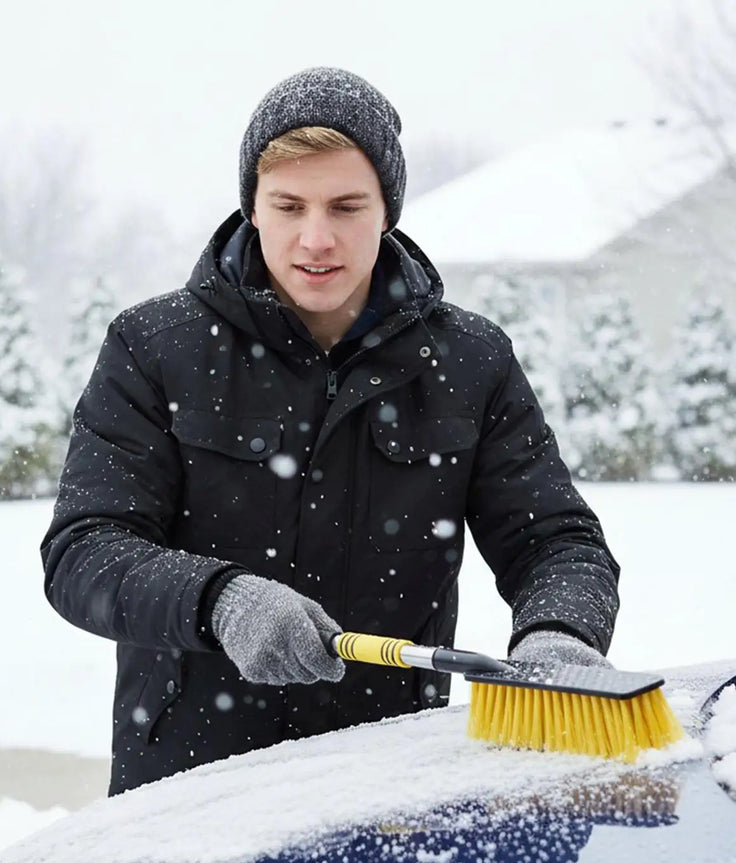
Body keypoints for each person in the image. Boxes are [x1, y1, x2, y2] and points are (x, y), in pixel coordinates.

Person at [41, 67, 620, 796]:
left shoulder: (469, 362)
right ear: (253, 206)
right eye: (289, 205)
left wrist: (559, 632)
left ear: (388, 211)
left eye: (347, 206)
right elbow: (83, 551)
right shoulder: (155, 348)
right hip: (189, 788)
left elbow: (556, 541)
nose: (316, 239)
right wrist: (222, 600)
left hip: (393, 781)